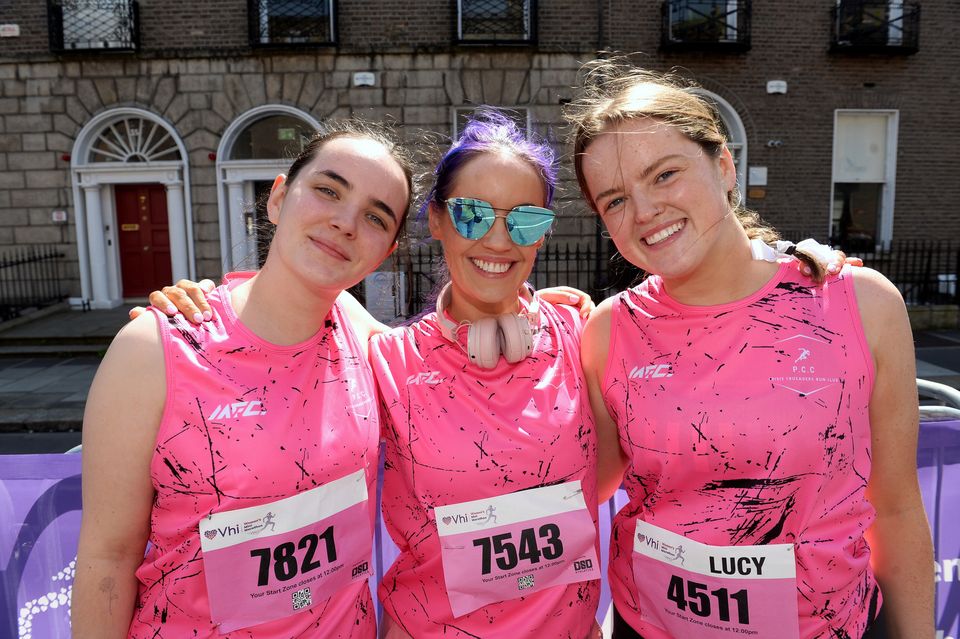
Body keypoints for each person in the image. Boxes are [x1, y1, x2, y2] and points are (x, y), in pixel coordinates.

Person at [567, 61, 934, 639]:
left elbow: (896, 507)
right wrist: (522, 327)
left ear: (725, 165)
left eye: (664, 174)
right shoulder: (608, 330)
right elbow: (577, 487)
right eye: (614, 200)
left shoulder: (860, 303)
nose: (643, 212)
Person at [72, 120, 415, 638]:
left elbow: (458, 362)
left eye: (375, 217)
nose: (346, 222)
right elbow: (108, 558)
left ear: (384, 253)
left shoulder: (366, 339)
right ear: (278, 198)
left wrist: (528, 314)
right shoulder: (155, 349)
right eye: (328, 190)